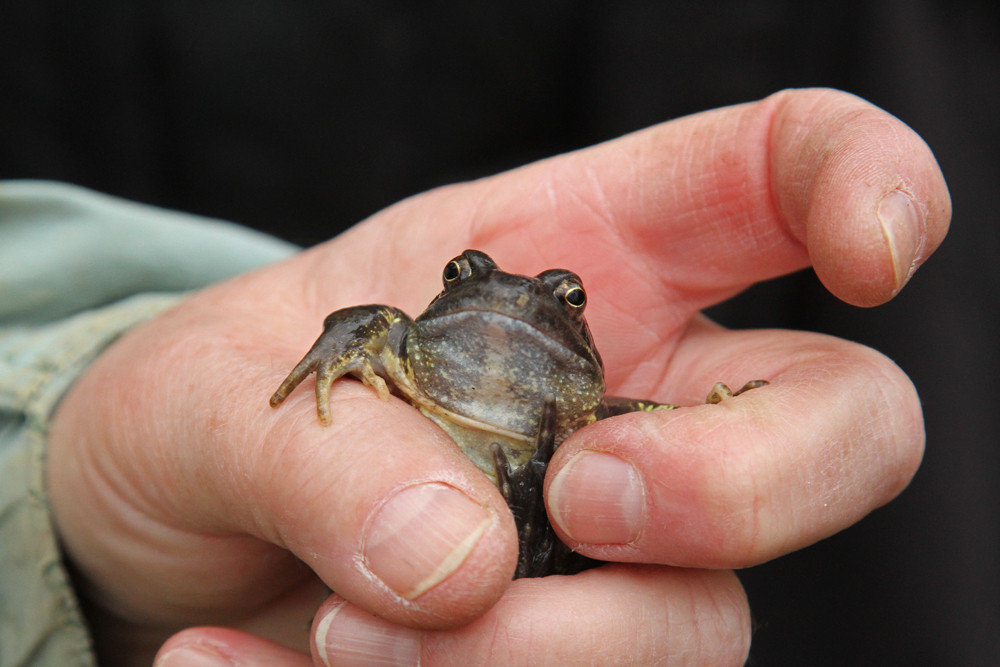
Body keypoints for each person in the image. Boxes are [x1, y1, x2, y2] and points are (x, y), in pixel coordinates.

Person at [0, 88, 949, 666]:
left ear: (580, 340)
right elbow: (362, 321)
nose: (505, 298)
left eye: (564, 296)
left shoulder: (587, 414)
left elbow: (651, 432)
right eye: (465, 276)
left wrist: (710, 420)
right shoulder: (401, 342)